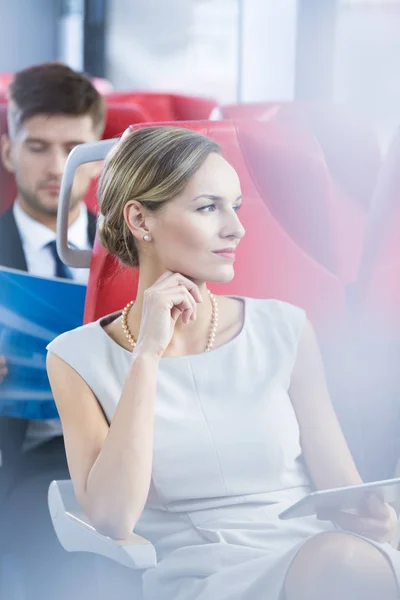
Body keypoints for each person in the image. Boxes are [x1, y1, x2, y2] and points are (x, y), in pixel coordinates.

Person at [46, 126, 400, 600]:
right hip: (207, 573)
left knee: (344, 561)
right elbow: (111, 517)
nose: (236, 228)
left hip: (322, 552)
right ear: (140, 220)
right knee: (340, 565)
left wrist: (379, 519)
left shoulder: (284, 328)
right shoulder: (76, 357)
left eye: (236, 206)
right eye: (208, 207)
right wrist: (148, 353)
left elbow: (344, 492)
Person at [0, 62, 106, 599]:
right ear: (7, 152)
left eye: (74, 149)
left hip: (134, 451)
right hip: (29, 459)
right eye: (37, 146)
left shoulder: (141, 250)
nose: (57, 167)